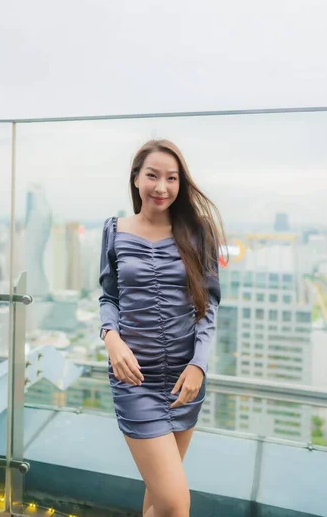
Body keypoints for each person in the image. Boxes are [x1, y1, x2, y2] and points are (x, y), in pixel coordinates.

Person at [98, 139, 226, 517]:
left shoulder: (197, 232)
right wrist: (111, 338)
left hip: (184, 381)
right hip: (135, 380)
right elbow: (109, 297)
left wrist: (198, 365)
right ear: (136, 178)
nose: (162, 186)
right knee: (174, 504)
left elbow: (209, 304)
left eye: (172, 178)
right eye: (152, 175)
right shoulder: (114, 230)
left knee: (157, 499)